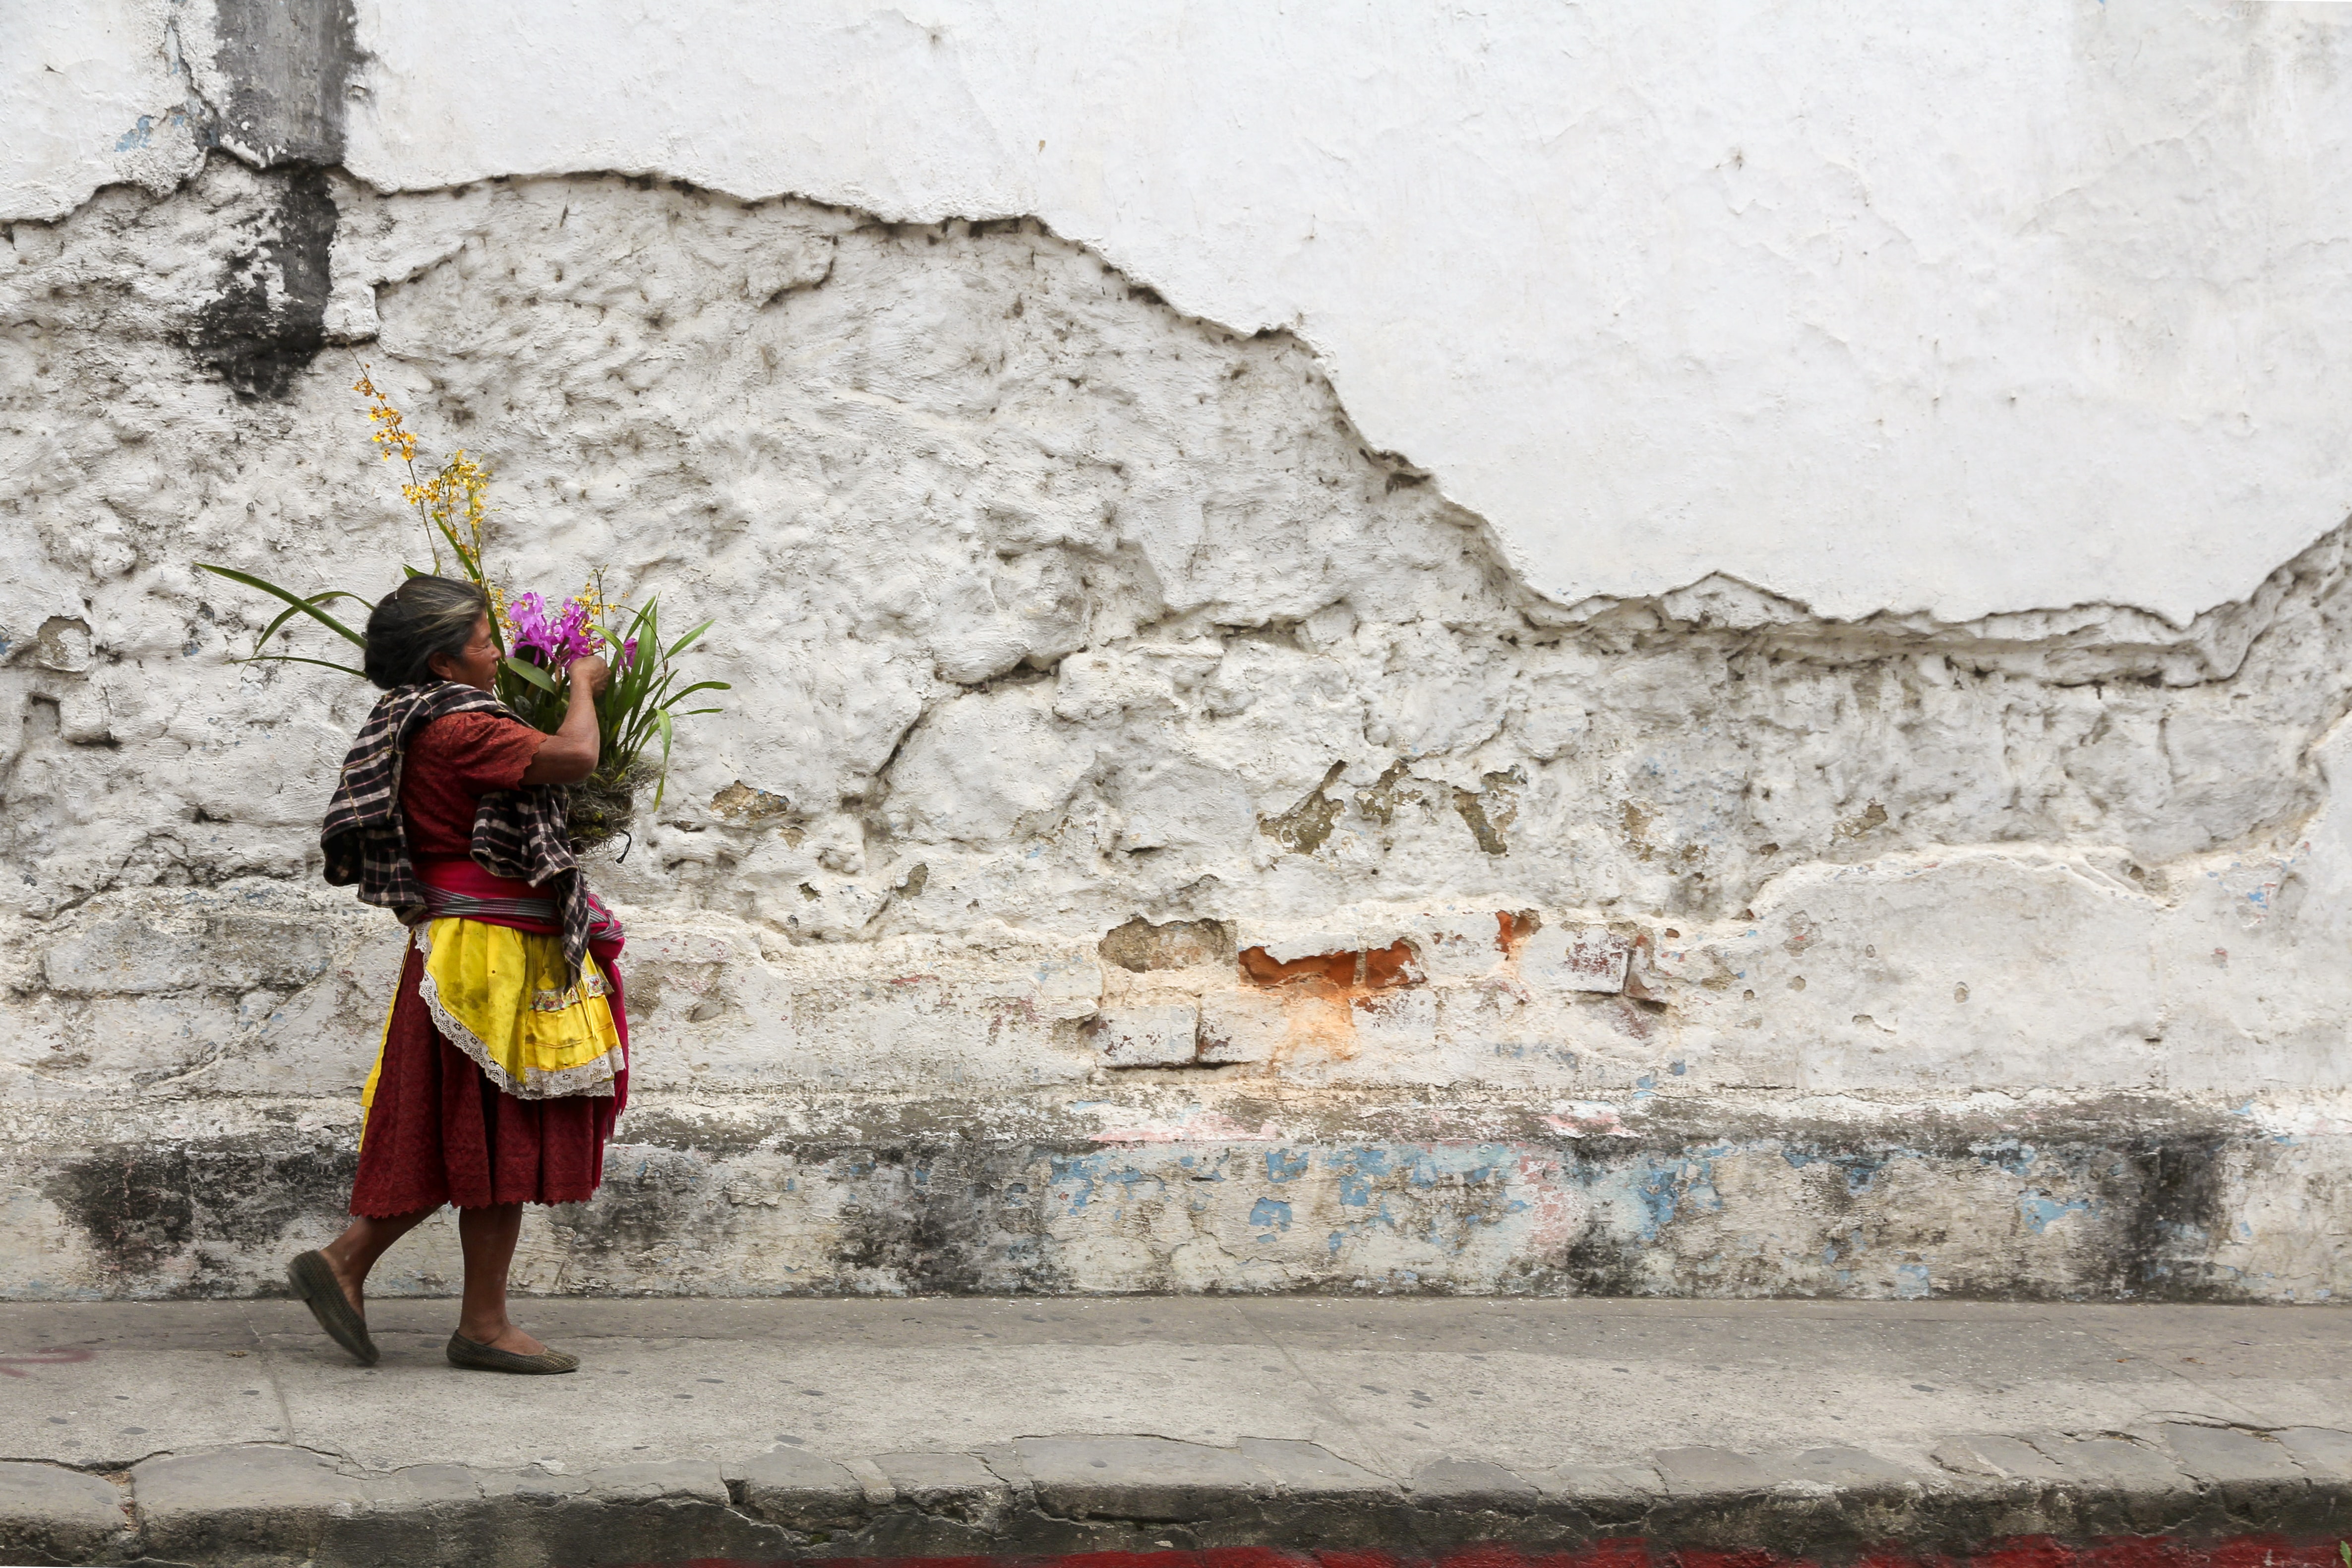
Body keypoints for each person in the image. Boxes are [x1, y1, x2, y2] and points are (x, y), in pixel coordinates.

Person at [286, 574, 626, 1375]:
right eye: (483, 641)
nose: (498, 652)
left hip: (470, 943)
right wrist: (582, 683)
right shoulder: (461, 728)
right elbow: (575, 756)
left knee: (476, 1126)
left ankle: (442, 1301)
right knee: (490, 1124)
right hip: (488, 956)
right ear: (442, 662)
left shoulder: (416, 718)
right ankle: (445, 1305)